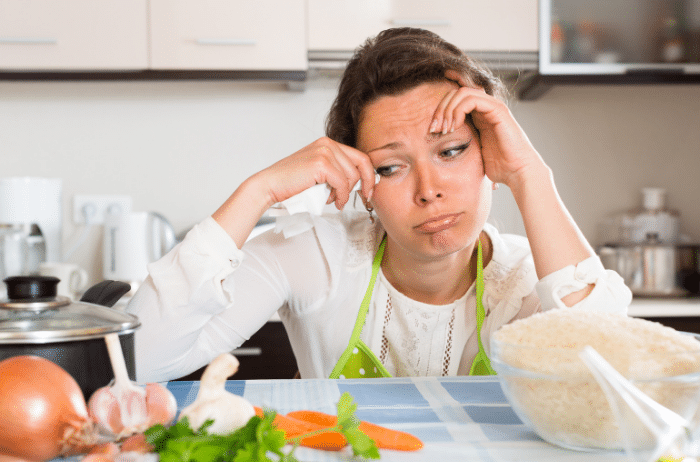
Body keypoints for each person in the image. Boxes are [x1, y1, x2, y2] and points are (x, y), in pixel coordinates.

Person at [128, 28, 632, 383]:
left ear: (489, 154)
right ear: (361, 183)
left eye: (451, 151)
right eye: (391, 167)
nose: (428, 189)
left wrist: (530, 176)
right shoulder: (314, 256)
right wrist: (258, 189)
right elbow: (140, 361)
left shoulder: (528, 280)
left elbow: (612, 376)